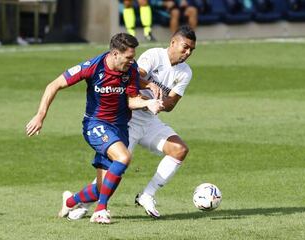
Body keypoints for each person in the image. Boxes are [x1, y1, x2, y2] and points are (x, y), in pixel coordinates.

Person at [25, 33, 163, 224]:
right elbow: (54, 85)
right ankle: (100, 210)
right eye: (129, 57)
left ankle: (70, 200)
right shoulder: (92, 66)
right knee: (123, 158)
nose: (133, 61)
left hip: (120, 127)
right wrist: (40, 115)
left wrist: (148, 103)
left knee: (103, 186)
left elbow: (131, 100)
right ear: (115, 54)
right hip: (96, 124)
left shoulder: (130, 69)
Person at [67, 25, 196, 220]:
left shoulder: (185, 72)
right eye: (185, 47)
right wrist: (150, 88)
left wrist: (159, 103)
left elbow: (171, 104)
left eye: (191, 50)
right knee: (107, 179)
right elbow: (133, 77)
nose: (187, 53)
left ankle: (147, 195)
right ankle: (76, 202)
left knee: (179, 149)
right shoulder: (154, 55)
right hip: (128, 120)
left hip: (151, 120)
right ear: (173, 42)